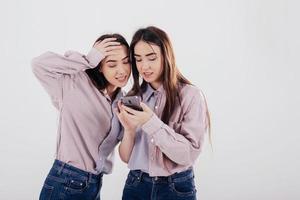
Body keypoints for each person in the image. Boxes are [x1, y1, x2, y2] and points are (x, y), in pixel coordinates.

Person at [31, 34, 131, 200]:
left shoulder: (123, 102)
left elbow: (128, 154)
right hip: (64, 182)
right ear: (99, 66)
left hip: (94, 186)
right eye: (112, 64)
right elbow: (38, 64)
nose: (121, 70)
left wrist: (130, 129)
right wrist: (89, 59)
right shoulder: (73, 83)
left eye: (126, 61)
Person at [116, 26, 211, 200]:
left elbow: (188, 155)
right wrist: (129, 131)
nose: (144, 66)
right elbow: (125, 157)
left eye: (151, 58)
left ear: (166, 56)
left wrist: (151, 122)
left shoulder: (190, 96)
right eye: (138, 59)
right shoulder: (133, 98)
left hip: (176, 187)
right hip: (136, 185)